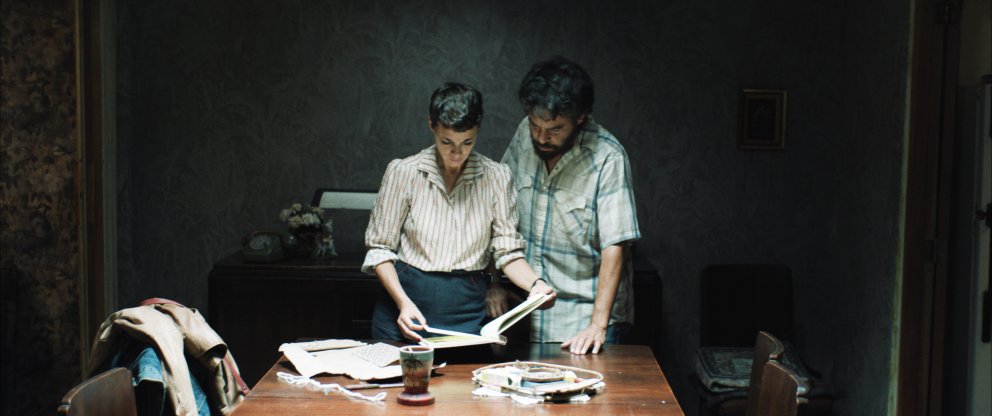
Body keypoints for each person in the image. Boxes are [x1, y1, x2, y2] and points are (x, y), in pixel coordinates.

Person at [364, 82, 556, 342]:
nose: (457, 152)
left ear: (477, 130)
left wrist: (536, 284)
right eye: (447, 142)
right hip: (405, 301)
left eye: (467, 142)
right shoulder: (403, 172)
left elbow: (508, 252)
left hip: (467, 304)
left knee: (466, 369)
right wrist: (403, 303)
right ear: (432, 125)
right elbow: (379, 250)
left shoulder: (497, 177)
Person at [497, 57, 641, 354]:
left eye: (555, 129)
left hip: (585, 320)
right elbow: (498, 207)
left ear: (581, 118)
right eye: (535, 125)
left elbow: (616, 246)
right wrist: (493, 283)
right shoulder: (524, 133)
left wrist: (597, 325)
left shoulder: (608, 157)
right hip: (528, 312)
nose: (541, 137)